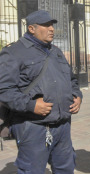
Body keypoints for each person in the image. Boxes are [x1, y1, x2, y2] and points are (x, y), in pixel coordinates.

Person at [0, 10, 83, 173]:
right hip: (32, 126)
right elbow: (4, 90)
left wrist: (77, 96)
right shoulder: (13, 52)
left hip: (62, 125)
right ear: (32, 28)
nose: (51, 29)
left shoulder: (56, 51)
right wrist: (31, 105)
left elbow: (72, 80)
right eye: (46, 25)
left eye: (51, 25)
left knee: (65, 169)